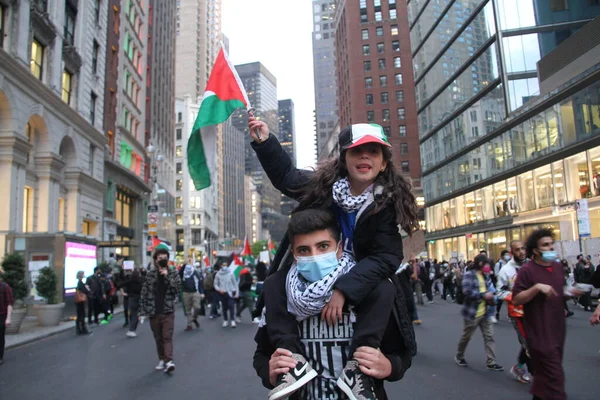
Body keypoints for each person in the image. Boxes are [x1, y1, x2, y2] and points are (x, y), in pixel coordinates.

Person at [247, 120, 417, 400]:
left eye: (373, 152)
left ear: (384, 163)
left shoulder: (385, 205)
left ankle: (357, 371)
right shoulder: (324, 188)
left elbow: (387, 257)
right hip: (311, 278)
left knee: (384, 286)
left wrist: (343, 291)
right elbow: (287, 177)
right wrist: (266, 143)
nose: (365, 157)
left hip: (357, 281)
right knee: (275, 281)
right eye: (357, 151)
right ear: (344, 159)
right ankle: (295, 366)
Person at [256, 209, 413, 400]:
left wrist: (389, 367)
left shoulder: (371, 291)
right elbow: (262, 354)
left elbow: (401, 354)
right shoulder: (280, 292)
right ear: (294, 255)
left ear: (339, 248)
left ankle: (355, 374)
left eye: (323, 246)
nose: (314, 256)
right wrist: (270, 372)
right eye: (304, 250)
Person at [513, 229, 582, 400]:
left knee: (544, 380)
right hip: (539, 333)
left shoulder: (557, 267)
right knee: (555, 377)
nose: (550, 248)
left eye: (552, 244)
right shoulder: (527, 270)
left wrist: (570, 292)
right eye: (545, 245)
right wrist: (536, 288)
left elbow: (558, 291)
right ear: (535, 250)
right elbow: (516, 299)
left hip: (558, 330)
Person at [454, 254, 503, 371]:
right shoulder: (469, 275)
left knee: (489, 336)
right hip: (473, 313)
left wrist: (492, 297)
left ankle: (491, 361)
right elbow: (466, 291)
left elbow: (492, 290)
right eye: (486, 264)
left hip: (486, 312)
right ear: (480, 264)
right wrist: (483, 295)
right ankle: (459, 355)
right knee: (467, 336)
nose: (488, 266)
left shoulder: (486, 276)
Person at [139, 249, 182, 373]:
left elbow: (177, 289)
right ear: (156, 260)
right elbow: (144, 293)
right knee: (158, 338)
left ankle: (169, 361)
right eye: (160, 258)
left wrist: (166, 276)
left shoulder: (173, 273)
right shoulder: (150, 275)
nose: (162, 260)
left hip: (168, 311)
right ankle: (162, 359)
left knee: (166, 337)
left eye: (165, 258)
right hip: (153, 311)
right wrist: (142, 311)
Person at [496, 240, 532, 384]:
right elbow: (499, 292)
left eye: (523, 248)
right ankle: (536, 374)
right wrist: (516, 297)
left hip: (535, 310)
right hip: (518, 313)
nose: (521, 252)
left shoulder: (532, 265)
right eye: (517, 250)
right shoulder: (506, 270)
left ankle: (520, 367)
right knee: (529, 343)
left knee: (537, 341)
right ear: (512, 252)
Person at [179, 258, 205, 331]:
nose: (188, 267)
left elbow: (200, 283)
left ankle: (194, 318)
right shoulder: (183, 273)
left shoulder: (195, 272)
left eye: (189, 264)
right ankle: (189, 324)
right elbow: (180, 272)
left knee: (197, 307)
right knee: (188, 310)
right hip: (186, 292)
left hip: (195, 292)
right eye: (187, 265)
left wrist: (202, 292)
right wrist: (184, 264)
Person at [214, 262, 238, 328]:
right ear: (221, 266)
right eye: (223, 265)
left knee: (231, 306)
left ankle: (233, 320)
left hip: (230, 292)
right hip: (222, 293)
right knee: (224, 307)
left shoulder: (231, 273)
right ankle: (225, 320)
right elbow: (215, 284)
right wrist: (219, 289)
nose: (225, 266)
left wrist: (237, 293)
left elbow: (235, 283)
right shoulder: (218, 274)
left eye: (226, 265)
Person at [122, 269, 143, 337]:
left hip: (131, 298)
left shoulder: (130, 282)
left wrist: (124, 293)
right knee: (135, 315)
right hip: (137, 299)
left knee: (133, 314)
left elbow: (120, 284)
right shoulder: (140, 282)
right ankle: (131, 330)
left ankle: (132, 329)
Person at [0, 266, 14, 365]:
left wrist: (8, 318)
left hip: (2, 315)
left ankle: (0, 357)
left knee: (0, 337)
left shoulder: (5, 287)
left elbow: (9, 303)